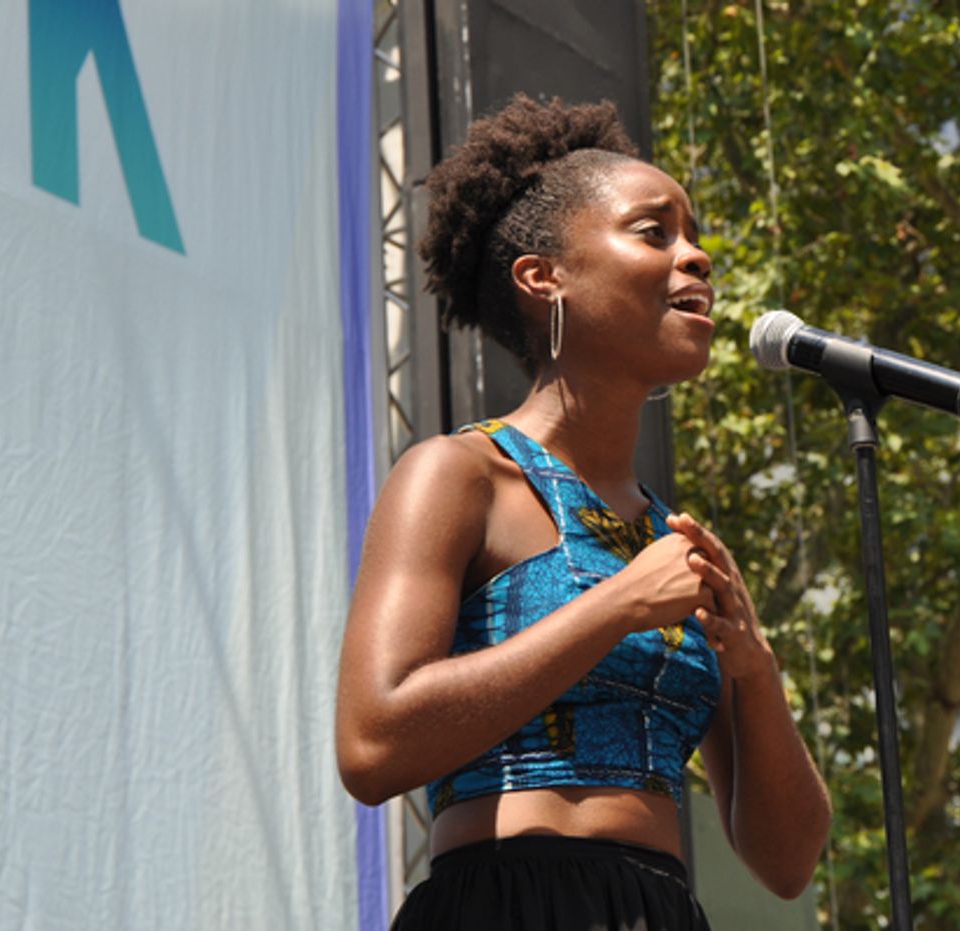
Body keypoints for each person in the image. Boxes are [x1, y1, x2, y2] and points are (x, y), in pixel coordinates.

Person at [335, 94, 831, 931]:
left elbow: (786, 863)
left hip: (661, 910)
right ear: (543, 276)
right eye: (655, 232)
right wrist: (620, 605)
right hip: (505, 901)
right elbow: (372, 745)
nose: (698, 256)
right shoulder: (460, 476)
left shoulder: (672, 539)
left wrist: (754, 669)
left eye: (695, 234)